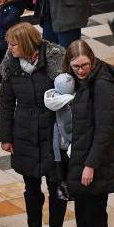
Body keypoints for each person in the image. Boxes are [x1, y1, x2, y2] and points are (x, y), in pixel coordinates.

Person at [0, 22, 66, 227]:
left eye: (13, 44)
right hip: (24, 132)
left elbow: (68, 99)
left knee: (56, 187)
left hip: (52, 132)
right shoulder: (11, 65)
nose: (9, 48)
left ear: (27, 44)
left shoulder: (54, 61)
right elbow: (6, 103)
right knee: (31, 188)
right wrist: (6, 136)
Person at [60, 40, 114, 227]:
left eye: (84, 65)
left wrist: (91, 165)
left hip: (99, 160)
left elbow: (104, 129)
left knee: (95, 213)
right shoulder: (80, 80)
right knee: (83, 210)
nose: (80, 70)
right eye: (75, 66)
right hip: (82, 154)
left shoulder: (102, 84)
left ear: (93, 60)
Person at [44, 73, 76, 201]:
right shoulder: (71, 101)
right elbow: (67, 127)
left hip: (56, 148)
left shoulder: (50, 98)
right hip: (64, 147)